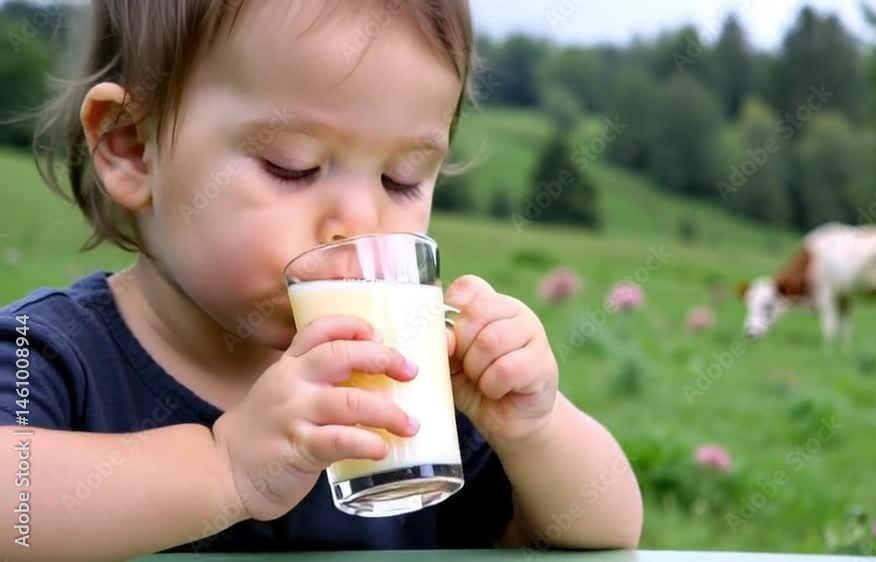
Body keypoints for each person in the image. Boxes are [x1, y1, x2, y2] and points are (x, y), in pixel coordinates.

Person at [0, 1, 643, 559]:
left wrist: (537, 430)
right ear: (132, 147)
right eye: (293, 166)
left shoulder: (401, 387)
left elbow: (605, 531)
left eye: (401, 179)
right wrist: (224, 469)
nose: (360, 223)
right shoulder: (49, 351)